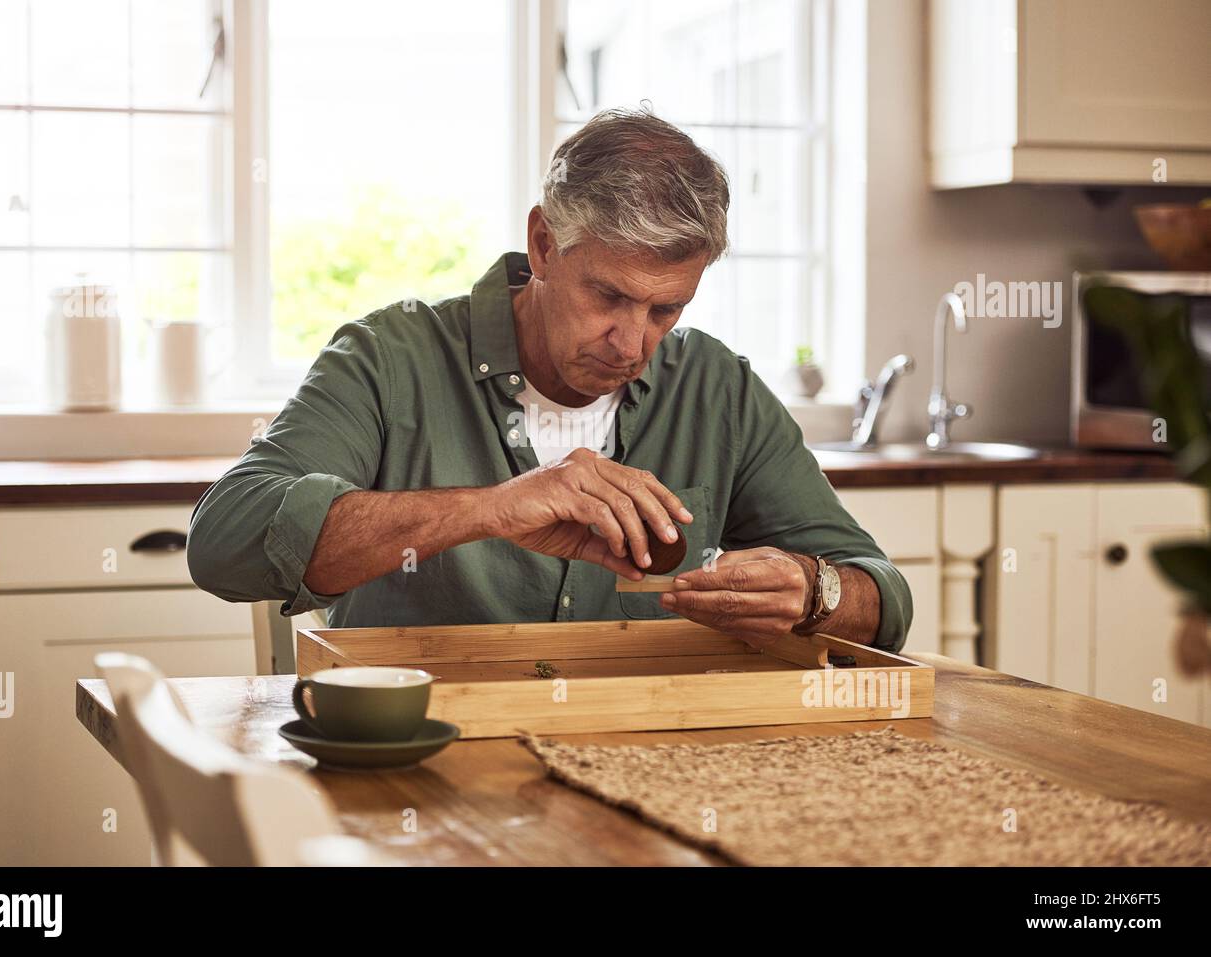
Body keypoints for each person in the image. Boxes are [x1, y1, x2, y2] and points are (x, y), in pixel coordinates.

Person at [188, 107, 912, 654]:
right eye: (608, 297)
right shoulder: (388, 357)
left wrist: (816, 591)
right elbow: (224, 543)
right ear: (543, 243)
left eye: (666, 308)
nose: (634, 342)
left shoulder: (718, 387)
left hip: (650, 777)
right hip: (424, 778)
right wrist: (494, 508)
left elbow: (885, 597)